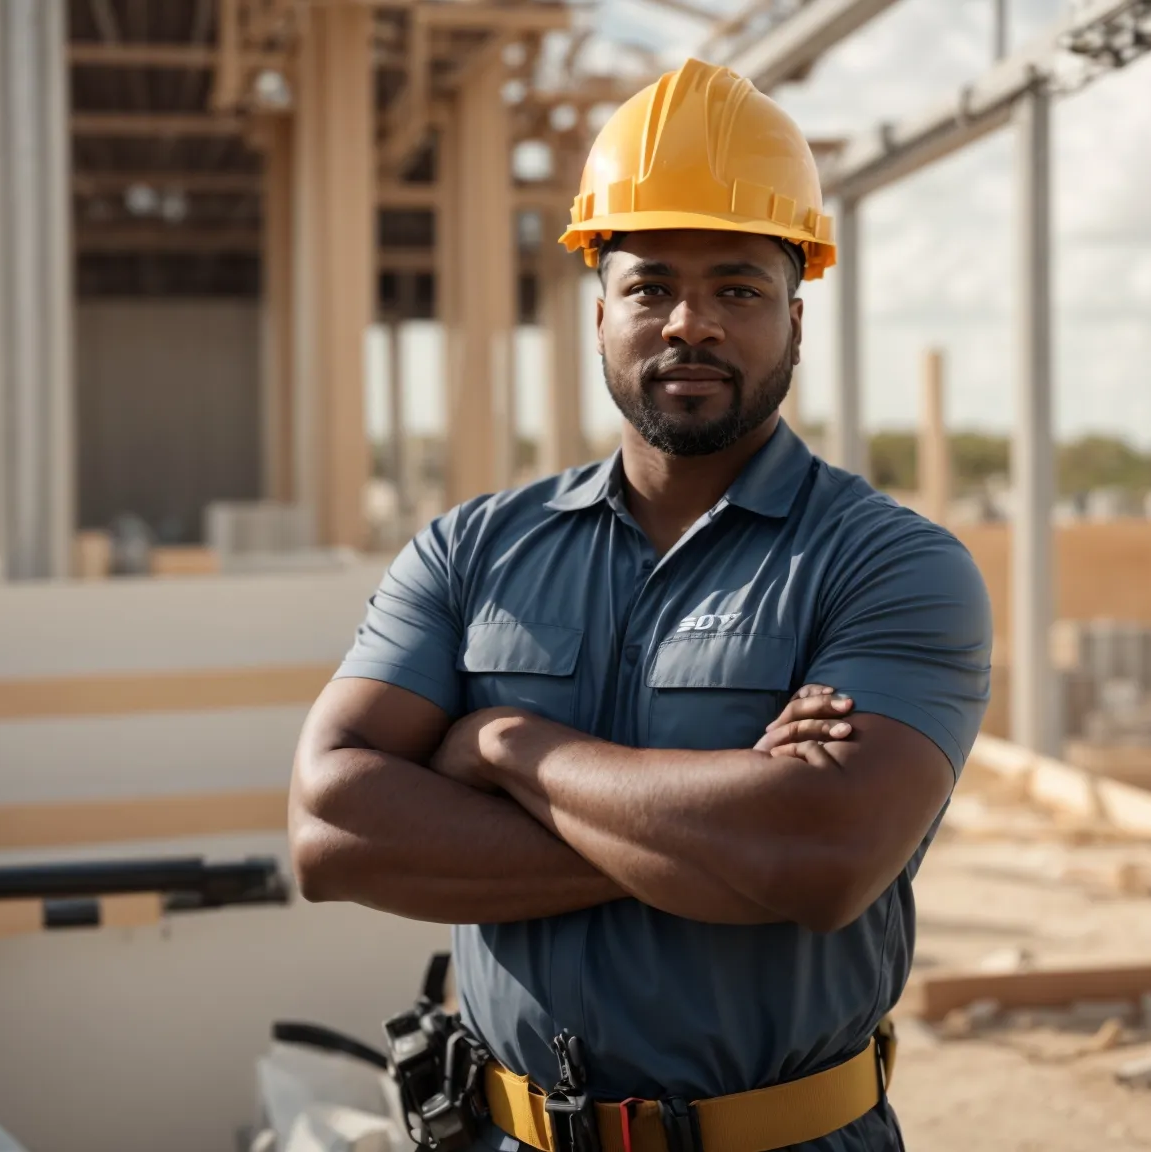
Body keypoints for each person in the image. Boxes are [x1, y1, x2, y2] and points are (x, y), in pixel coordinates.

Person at [290, 57, 992, 1152]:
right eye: (650, 284)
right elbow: (330, 828)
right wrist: (716, 838)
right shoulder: (470, 552)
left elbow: (820, 859)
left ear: (795, 317)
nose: (688, 324)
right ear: (600, 308)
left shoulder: (888, 568)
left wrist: (508, 746)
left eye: (735, 289)